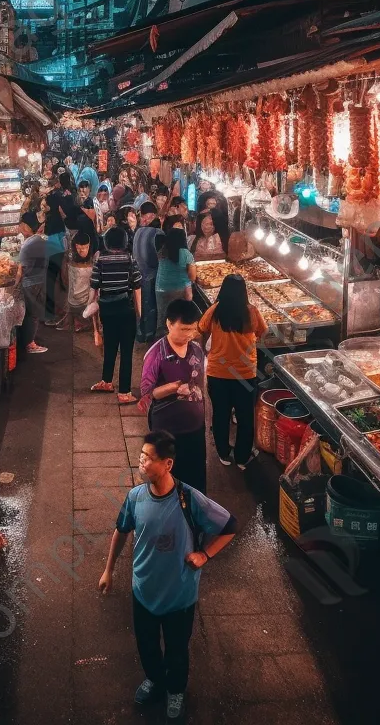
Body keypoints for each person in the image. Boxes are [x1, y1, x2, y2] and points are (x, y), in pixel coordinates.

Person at [99, 430, 237, 721]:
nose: (141, 463)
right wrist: (108, 570)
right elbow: (121, 531)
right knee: (146, 644)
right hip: (143, 592)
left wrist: (205, 555)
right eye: (141, 456)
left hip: (179, 596)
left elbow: (230, 526)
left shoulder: (189, 499)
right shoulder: (135, 497)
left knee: (176, 650)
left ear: (168, 464)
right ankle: (154, 680)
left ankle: (175, 690)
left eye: (148, 458)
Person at [198, 274, 268, 468]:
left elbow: (201, 328)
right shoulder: (251, 312)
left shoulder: (215, 311)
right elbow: (263, 332)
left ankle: (223, 453)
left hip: (218, 372)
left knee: (220, 414)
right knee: (245, 417)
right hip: (245, 374)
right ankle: (242, 458)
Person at [140, 300, 208, 493]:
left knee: (195, 478)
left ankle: (194, 514)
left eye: (193, 329)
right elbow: (147, 393)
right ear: (169, 324)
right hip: (167, 431)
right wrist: (172, 388)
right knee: (168, 480)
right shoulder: (156, 354)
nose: (189, 334)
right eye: (184, 329)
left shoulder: (196, 349)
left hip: (195, 428)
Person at [89, 226, 142, 403]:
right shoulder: (129, 259)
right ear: (124, 241)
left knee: (110, 345)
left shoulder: (100, 259)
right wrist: (139, 312)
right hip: (125, 308)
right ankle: (125, 392)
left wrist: (90, 305)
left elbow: (94, 285)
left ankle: (106, 381)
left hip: (107, 309)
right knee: (126, 350)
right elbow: (137, 286)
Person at [43, 172, 76, 320]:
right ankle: (51, 311)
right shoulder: (66, 197)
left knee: (52, 277)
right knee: (55, 276)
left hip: (54, 240)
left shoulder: (55, 198)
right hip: (57, 240)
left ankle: (50, 311)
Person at [155, 228, 196, 338]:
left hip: (161, 289)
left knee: (162, 316)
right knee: (178, 317)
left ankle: (161, 340)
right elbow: (192, 277)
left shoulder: (162, 252)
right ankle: (176, 339)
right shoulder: (187, 254)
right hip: (179, 290)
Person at [17, 212, 48, 355]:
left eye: (20, 224)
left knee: (31, 314)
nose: (19, 227)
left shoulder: (28, 244)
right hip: (40, 280)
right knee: (32, 314)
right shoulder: (41, 240)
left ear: (26, 226)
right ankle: (28, 342)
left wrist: (16, 284)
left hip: (30, 283)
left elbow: (20, 270)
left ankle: (30, 343)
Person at [132, 201, 162, 343]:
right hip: (151, 276)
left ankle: (140, 334)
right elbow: (156, 258)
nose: (144, 219)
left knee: (140, 307)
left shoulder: (137, 231)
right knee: (150, 307)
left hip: (137, 276)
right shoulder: (157, 233)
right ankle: (149, 336)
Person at [58, 232, 96, 333]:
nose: (82, 251)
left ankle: (82, 322)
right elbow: (64, 276)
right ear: (75, 247)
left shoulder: (94, 259)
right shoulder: (68, 258)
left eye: (85, 248)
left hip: (87, 297)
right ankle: (73, 322)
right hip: (73, 294)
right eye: (79, 248)